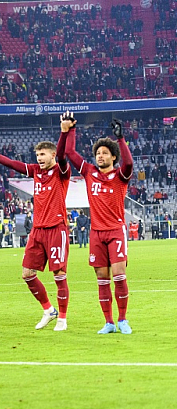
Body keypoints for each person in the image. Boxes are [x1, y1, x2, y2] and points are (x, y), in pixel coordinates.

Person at [0, 135, 71, 331]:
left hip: (56, 228)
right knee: (27, 274)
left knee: (59, 274)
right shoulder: (36, 171)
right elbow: (11, 163)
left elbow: (63, 155)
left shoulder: (62, 171)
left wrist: (64, 132)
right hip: (37, 230)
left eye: (43, 154)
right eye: (37, 154)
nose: (39, 158)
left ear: (53, 154)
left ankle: (62, 317)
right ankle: (49, 310)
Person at [61, 112, 134, 334]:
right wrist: (71, 129)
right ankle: (109, 322)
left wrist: (120, 139)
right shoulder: (89, 172)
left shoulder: (121, 175)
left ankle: (123, 319)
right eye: (98, 153)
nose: (100, 156)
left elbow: (129, 162)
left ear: (113, 157)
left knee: (119, 275)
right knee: (102, 278)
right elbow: (69, 152)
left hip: (115, 231)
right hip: (96, 233)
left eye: (104, 153)